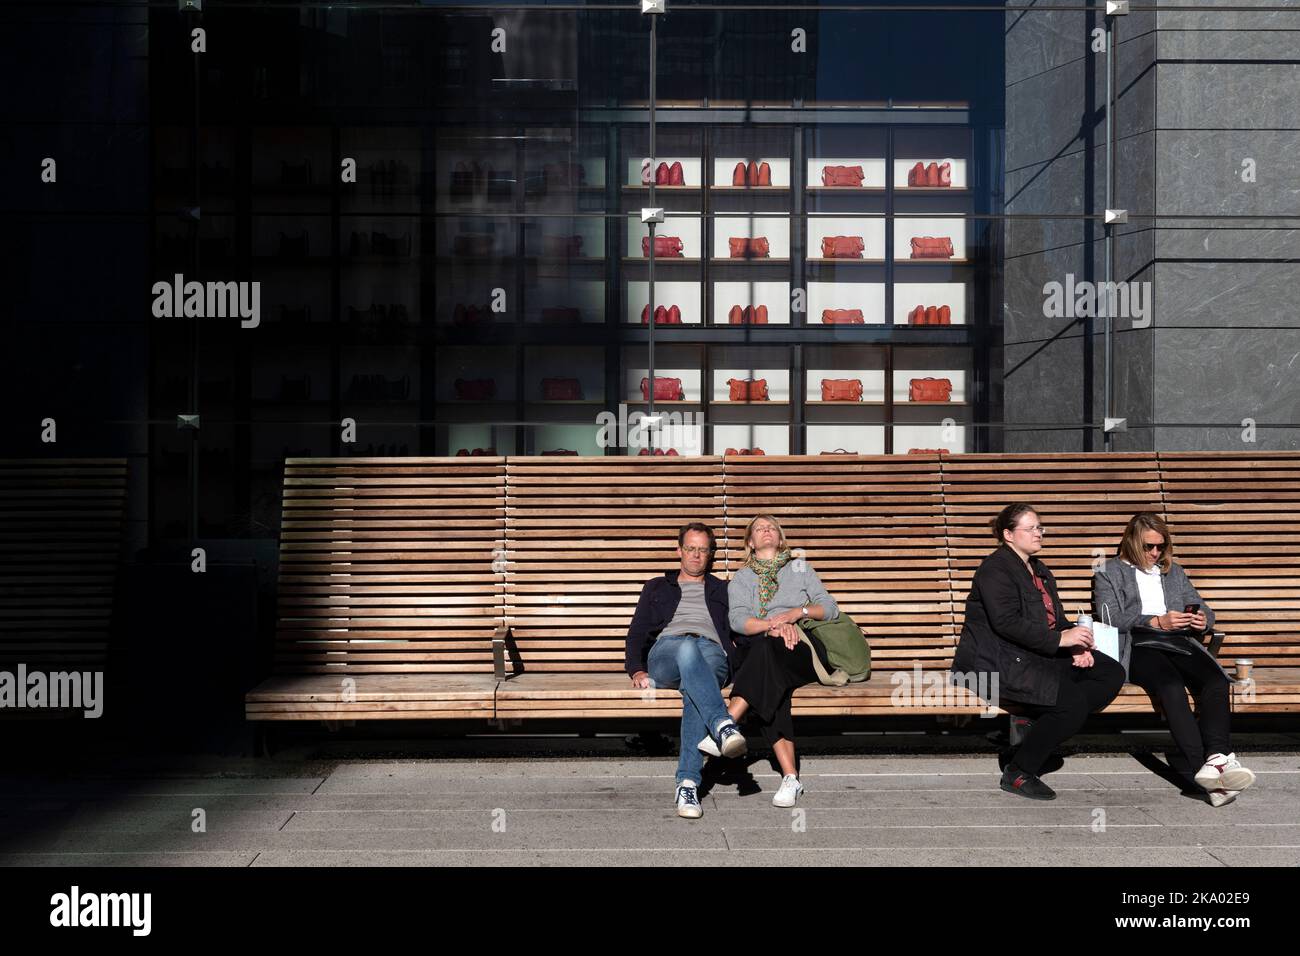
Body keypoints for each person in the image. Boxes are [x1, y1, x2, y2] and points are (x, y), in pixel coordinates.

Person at [951, 502, 1125, 800]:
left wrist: (1078, 643)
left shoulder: (1038, 569)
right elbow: (1006, 624)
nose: (1038, 533)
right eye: (1030, 528)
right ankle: (1019, 771)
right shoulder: (994, 569)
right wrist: (1061, 641)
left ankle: (1037, 735)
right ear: (1008, 534)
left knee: (1110, 673)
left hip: (1033, 652)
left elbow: (1054, 620)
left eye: (1039, 527)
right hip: (998, 660)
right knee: (1070, 705)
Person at [1093, 512, 1256, 807]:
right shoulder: (1108, 571)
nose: (1155, 553)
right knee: (1169, 687)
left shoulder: (1173, 571)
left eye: (1160, 546)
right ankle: (1202, 774)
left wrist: (1201, 620)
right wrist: (1155, 621)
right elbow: (1110, 617)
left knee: (1216, 681)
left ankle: (1217, 759)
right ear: (1132, 542)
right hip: (1140, 643)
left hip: (1179, 641)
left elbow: (1204, 606)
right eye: (1148, 547)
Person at [625, 522, 748, 820]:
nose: (696, 555)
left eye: (702, 550)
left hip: (711, 654)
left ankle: (688, 784)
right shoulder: (657, 586)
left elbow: (742, 631)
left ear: (710, 554)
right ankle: (722, 725)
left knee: (695, 690)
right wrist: (637, 669)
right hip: (667, 653)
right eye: (690, 548)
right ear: (679, 550)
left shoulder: (724, 589)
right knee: (686, 647)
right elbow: (638, 630)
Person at [724, 514, 840, 808]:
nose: (766, 532)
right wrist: (772, 626)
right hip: (765, 649)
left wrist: (794, 614)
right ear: (750, 542)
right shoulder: (742, 578)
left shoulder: (799, 568)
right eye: (759, 529)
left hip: (801, 649)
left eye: (771, 528)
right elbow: (737, 621)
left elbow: (829, 608)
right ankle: (791, 777)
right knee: (771, 674)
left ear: (780, 537)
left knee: (767, 658)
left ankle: (725, 724)